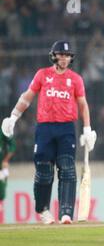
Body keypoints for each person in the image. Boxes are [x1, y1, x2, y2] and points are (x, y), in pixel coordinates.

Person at [1, 41, 97, 224]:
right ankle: (43, 209)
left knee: (67, 168)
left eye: (68, 55)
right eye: (61, 54)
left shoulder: (75, 79)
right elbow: (27, 97)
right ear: (54, 55)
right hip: (45, 128)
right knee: (44, 170)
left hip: (67, 127)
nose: (65, 58)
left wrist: (87, 129)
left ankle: (66, 212)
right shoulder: (42, 75)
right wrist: (13, 117)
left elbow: (83, 105)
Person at [0, 128, 16, 214]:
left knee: (1, 193)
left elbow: (12, 145)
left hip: (1, 168)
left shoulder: (3, 131)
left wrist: (6, 160)